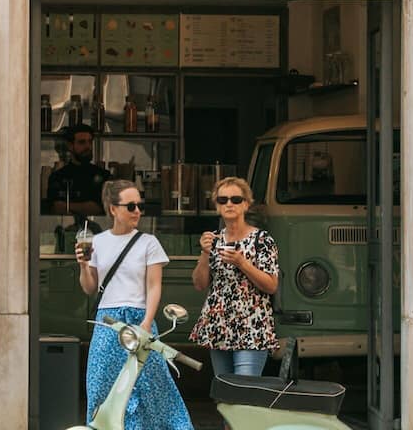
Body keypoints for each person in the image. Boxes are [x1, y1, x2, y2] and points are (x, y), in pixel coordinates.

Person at [75, 180, 191, 428]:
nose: (137, 211)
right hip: (107, 322)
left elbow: (153, 286)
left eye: (140, 205)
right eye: (130, 206)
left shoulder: (148, 242)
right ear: (113, 209)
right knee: (102, 385)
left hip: (139, 318)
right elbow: (89, 287)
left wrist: (147, 322)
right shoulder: (98, 242)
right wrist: (84, 265)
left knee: (154, 388)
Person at [191, 177, 281, 376]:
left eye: (235, 199)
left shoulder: (262, 240)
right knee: (224, 392)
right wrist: (205, 253)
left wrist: (243, 264)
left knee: (244, 391)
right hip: (218, 324)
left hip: (252, 324)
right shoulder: (213, 239)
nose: (229, 204)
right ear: (216, 206)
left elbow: (271, 285)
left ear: (246, 204)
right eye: (223, 200)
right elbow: (199, 283)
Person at [46, 124, 111, 218]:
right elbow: (56, 208)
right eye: (82, 142)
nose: (87, 146)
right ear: (70, 146)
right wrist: (85, 206)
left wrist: (68, 206)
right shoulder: (58, 176)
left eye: (90, 142)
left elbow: (99, 209)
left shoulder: (103, 175)